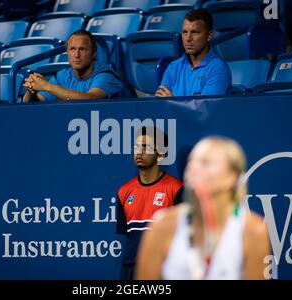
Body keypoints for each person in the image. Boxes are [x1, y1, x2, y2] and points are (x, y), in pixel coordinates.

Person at [135, 136, 270, 280]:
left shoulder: (253, 230)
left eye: (205, 163)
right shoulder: (163, 225)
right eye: (191, 161)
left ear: (232, 177)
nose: (193, 168)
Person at [116, 126, 184, 280]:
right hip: (130, 269)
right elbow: (124, 236)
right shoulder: (124, 191)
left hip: (163, 268)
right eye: (136, 147)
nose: (138, 151)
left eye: (145, 147)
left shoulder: (176, 189)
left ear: (160, 154)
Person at [23, 29, 124, 102]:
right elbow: (38, 102)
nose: (76, 55)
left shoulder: (106, 75)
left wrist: (46, 86)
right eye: (72, 49)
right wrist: (31, 90)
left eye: (82, 49)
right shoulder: (62, 76)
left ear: (93, 53)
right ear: (67, 52)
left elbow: (91, 98)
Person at [155, 9, 232, 97]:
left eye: (194, 32)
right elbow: (161, 103)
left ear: (209, 36)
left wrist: (172, 101)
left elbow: (206, 109)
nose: (188, 39)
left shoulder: (218, 68)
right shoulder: (173, 67)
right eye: (185, 32)